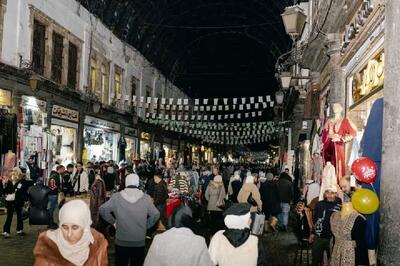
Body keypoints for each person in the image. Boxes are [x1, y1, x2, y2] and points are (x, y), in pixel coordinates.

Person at [99, 173, 160, 266]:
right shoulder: (146, 198)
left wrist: (114, 222)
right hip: (139, 240)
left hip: (121, 239)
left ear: (126, 183)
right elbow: (156, 214)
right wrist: (146, 226)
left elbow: (103, 210)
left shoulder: (116, 197)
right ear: (137, 183)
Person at [33, 199, 108, 266]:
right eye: (64, 227)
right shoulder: (47, 248)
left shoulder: (98, 245)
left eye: (75, 227)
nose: (69, 234)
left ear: (85, 227)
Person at [144, 205, 213, 266]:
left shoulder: (158, 239)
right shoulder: (199, 241)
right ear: (189, 220)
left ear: (171, 219)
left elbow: (149, 263)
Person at [309, 186, 341, 266]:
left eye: (332, 193)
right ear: (324, 194)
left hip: (332, 237)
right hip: (319, 237)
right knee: (315, 260)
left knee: (333, 260)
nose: (330, 195)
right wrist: (312, 233)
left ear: (336, 194)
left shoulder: (339, 206)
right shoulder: (320, 204)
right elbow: (316, 219)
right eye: (327, 192)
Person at [2, 167, 27, 237]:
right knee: (9, 216)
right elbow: (6, 191)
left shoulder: (22, 180)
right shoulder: (9, 179)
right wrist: (5, 184)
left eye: (16, 171)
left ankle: (19, 230)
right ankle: (6, 231)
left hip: (18, 200)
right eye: (13, 170)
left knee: (19, 215)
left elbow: (23, 190)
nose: (14, 172)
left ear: (19, 172)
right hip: (10, 201)